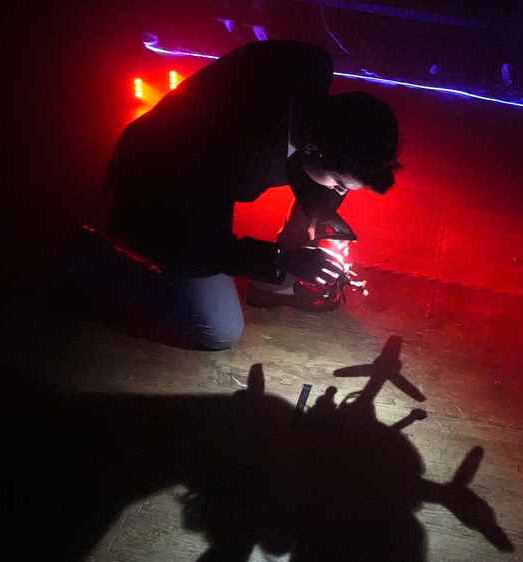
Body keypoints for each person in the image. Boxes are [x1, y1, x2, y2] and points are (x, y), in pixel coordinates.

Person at [68, 39, 401, 350]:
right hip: (157, 184)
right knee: (218, 330)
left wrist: (320, 208)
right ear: (313, 150)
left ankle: (273, 287)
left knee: (332, 185)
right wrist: (282, 259)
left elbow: (307, 160)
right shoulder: (237, 157)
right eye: (338, 183)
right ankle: (89, 259)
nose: (338, 193)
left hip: (209, 167)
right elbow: (206, 246)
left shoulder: (312, 68)